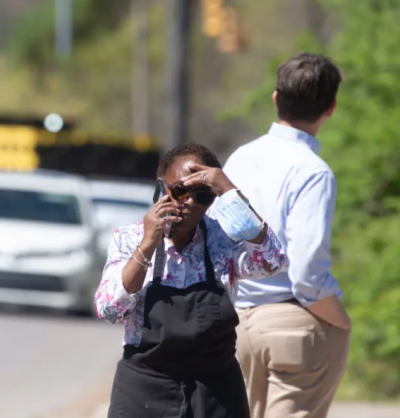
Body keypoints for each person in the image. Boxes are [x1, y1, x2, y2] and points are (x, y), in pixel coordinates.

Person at [95, 143, 288, 418]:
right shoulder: (129, 239)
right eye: (180, 190)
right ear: (161, 186)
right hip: (145, 389)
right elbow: (109, 309)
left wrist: (229, 191)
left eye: (203, 195)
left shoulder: (225, 240)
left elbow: (274, 260)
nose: (189, 201)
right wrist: (148, 243)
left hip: (216, 390)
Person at [222, 52, 351, 418]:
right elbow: (307, 270)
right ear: (330, 108)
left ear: (276, 98)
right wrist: (340, 321)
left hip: (236, 320)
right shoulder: (313, 172)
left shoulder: (239, 159)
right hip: (292, 320)